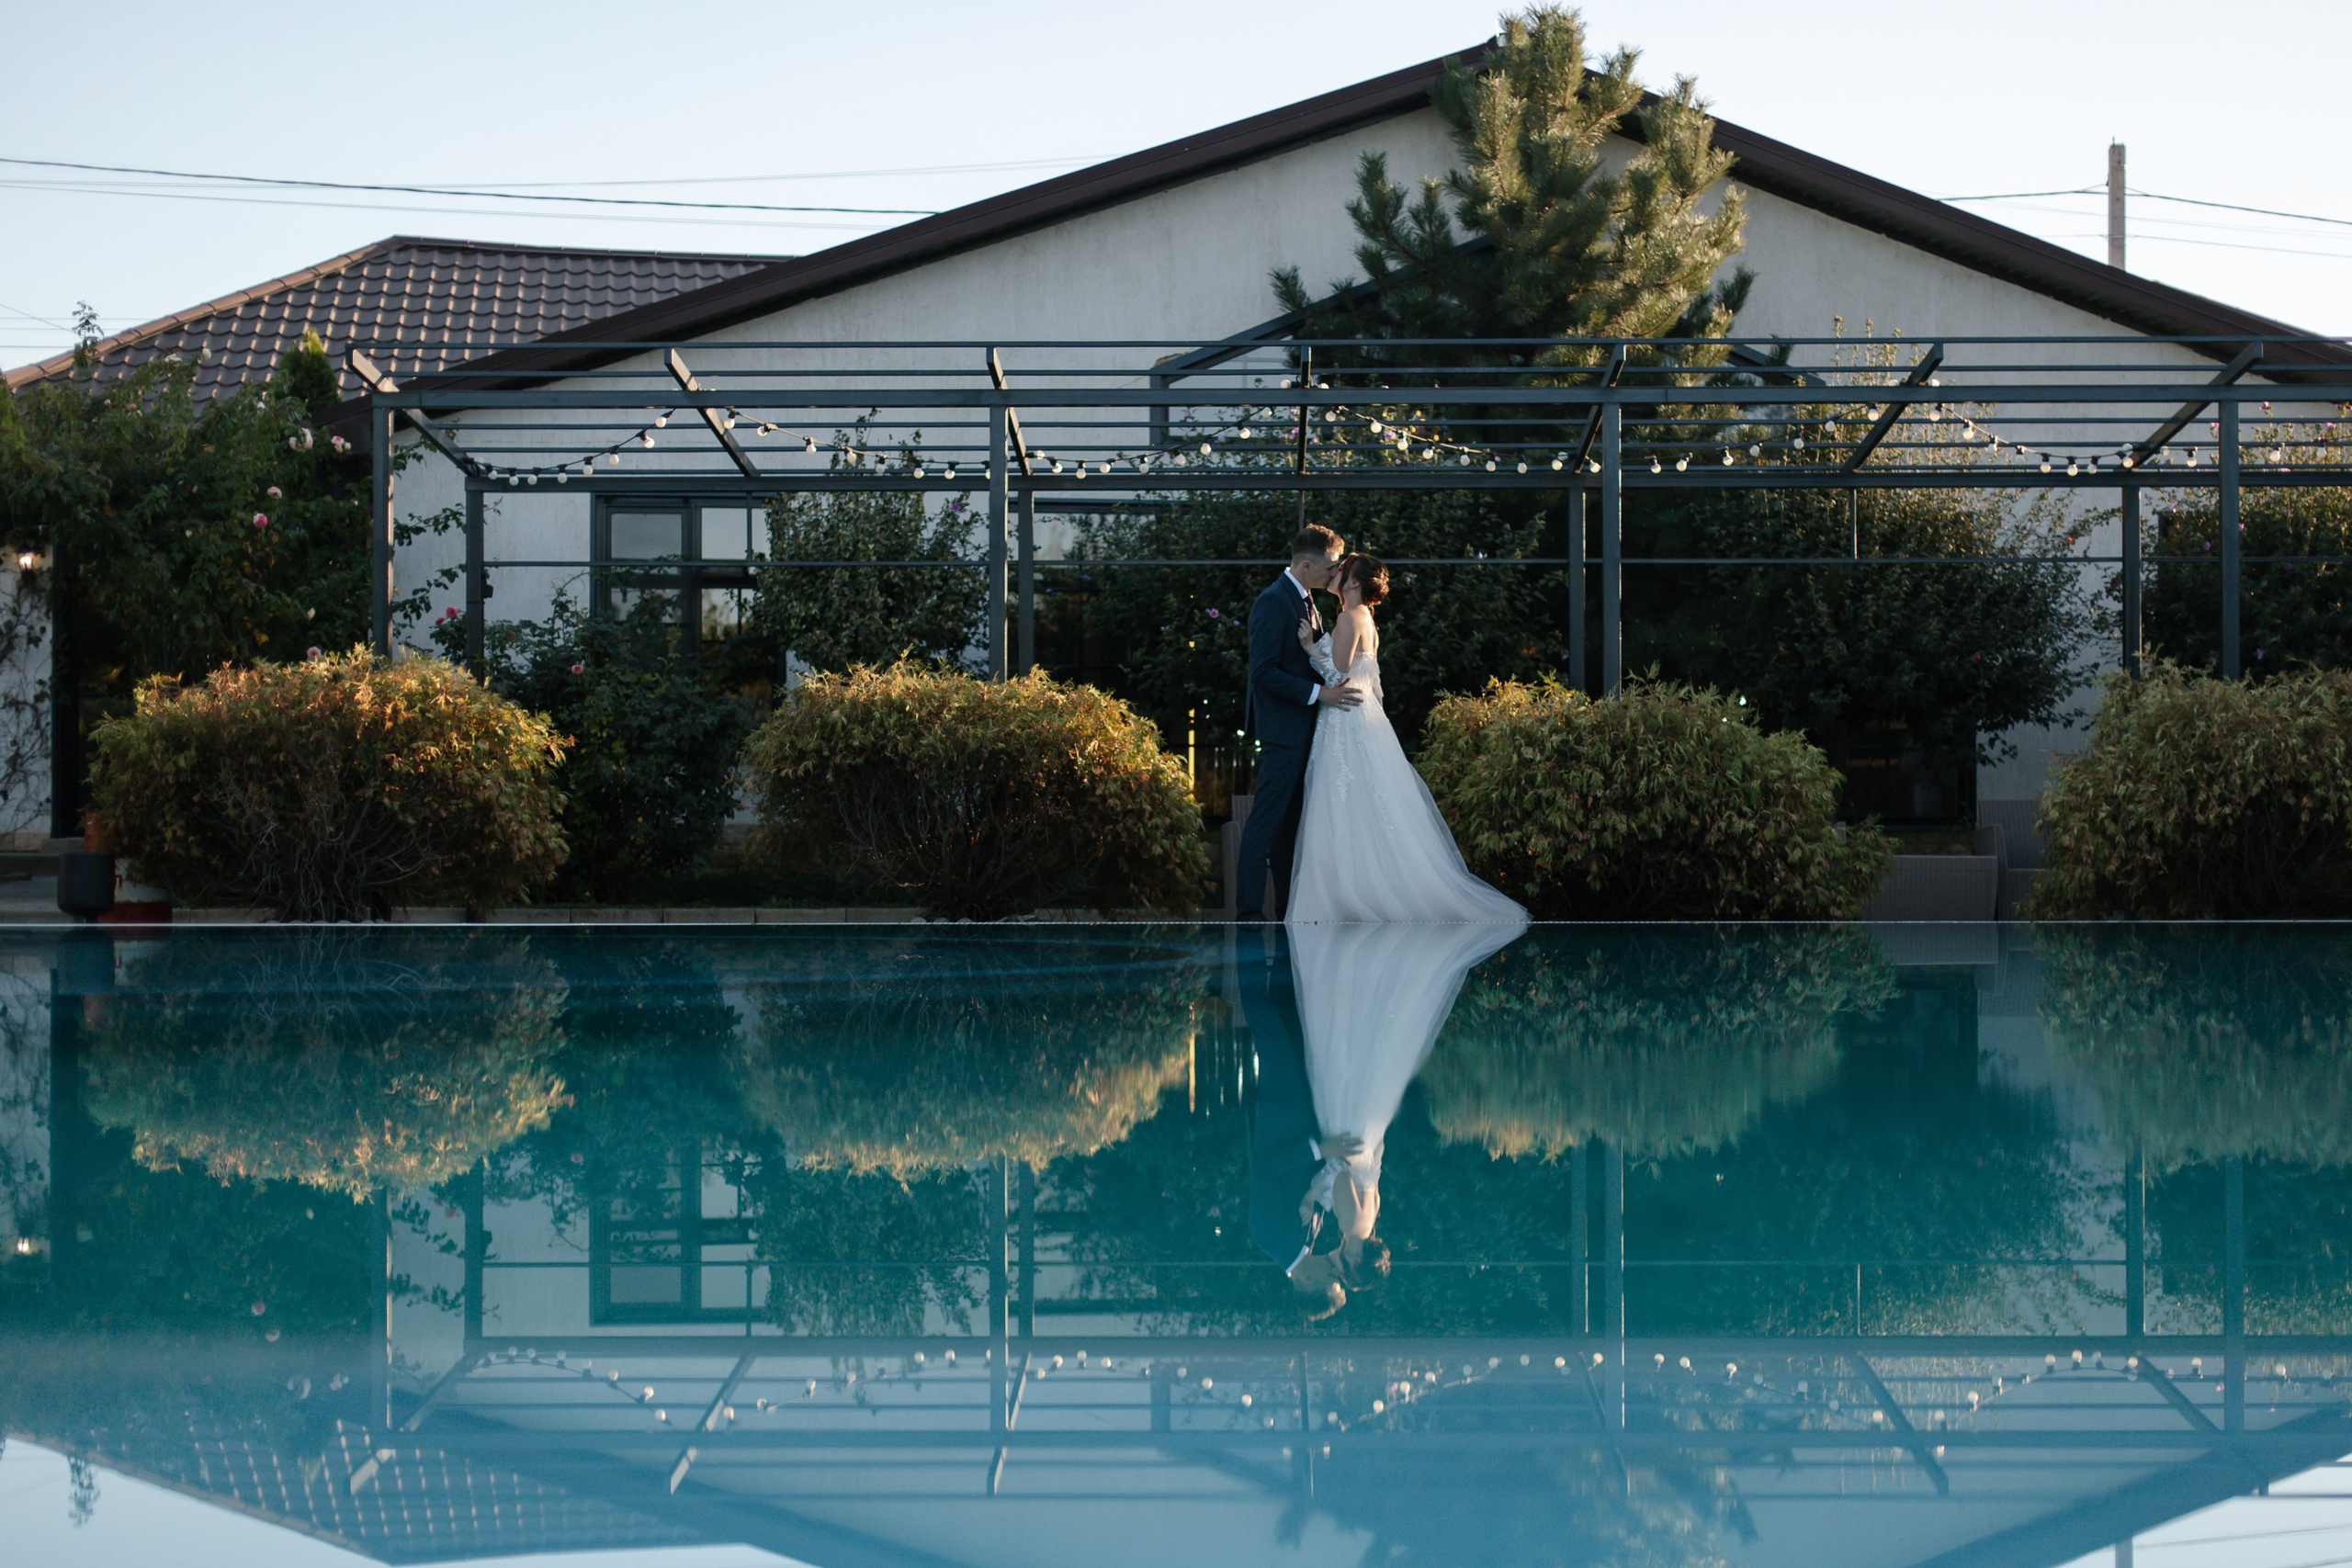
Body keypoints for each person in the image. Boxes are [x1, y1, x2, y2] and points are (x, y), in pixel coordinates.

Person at [1289, 919, 1525, 1302]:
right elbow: (1339, 1173)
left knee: (1364, 1050)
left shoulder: (1371, 1217)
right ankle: (1349, 958)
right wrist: (1310, 1196)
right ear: (1354, 1262)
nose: (1338, 1270)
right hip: (1347, 1133)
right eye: (1346, 1273)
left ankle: (1369, 963)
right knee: (1343, 1049)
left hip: (1368, 1136)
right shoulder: (1353, 1226)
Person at [1286, 553, 1527, 926]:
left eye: (1342, 569)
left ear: (1353, 582)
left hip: (1345, 719)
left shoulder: (1349, 617)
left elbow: (1337, 675)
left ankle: (1349, 897)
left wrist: (1309, 648)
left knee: (1344, 805)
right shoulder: (1368, 620)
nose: (1334, 572)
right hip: (1362, 719)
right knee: (1365, 806)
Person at [1234, 525, 1363, 921]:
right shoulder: (1273, 602)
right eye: (1330, 567)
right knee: (1266, 824)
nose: (1334, 573)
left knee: (1290, 829)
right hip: (1283, 735)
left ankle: (1286, 912)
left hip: (1307, 733)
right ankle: (1249, 915)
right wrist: (1319, 694)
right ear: (1306, 565)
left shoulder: (1309, 603)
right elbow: (1263, 672)